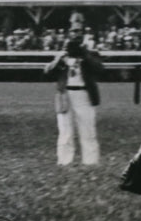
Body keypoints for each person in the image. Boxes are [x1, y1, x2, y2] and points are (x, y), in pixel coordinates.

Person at [44, 36, 103, 166]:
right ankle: (64, 160)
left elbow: (100, 69)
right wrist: (60, 60)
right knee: (65, 129)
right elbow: (47, 72)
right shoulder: (62, 57)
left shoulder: (90, 54)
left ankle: (91, 161)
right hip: (65, 94)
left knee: (88, 130)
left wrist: (85, 55)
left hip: (84, 94)